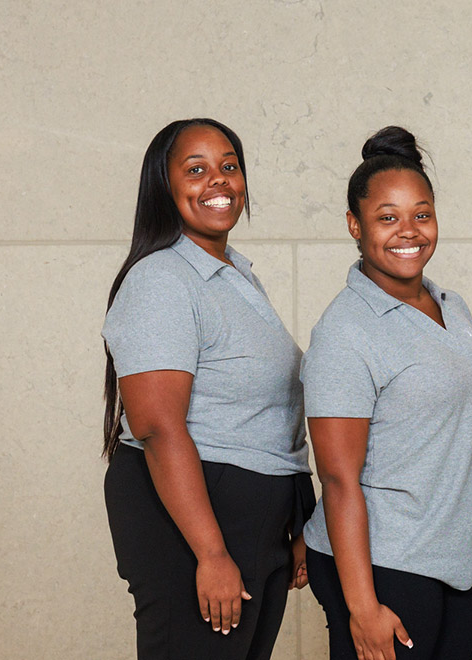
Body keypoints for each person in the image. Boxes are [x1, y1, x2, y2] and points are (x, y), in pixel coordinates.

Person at [100, 118, 314, 660]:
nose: (218, 181)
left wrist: (292, 517)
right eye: (195, 170)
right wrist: (212, 552)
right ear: (163, 187)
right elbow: (156, 425)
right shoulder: (162, 279)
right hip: (197, 522)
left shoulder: (232, 274)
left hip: (251, 516)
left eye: (229, 165)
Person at [301, 126, 472, 660]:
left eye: (421, 213)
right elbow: (339, 480)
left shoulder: (450, 305)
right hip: (385, 564)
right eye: (386, 217)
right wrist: (362, 608)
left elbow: (466, 424)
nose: (408, 231)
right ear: (354, 224)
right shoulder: (345, 331)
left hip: (456, 560)